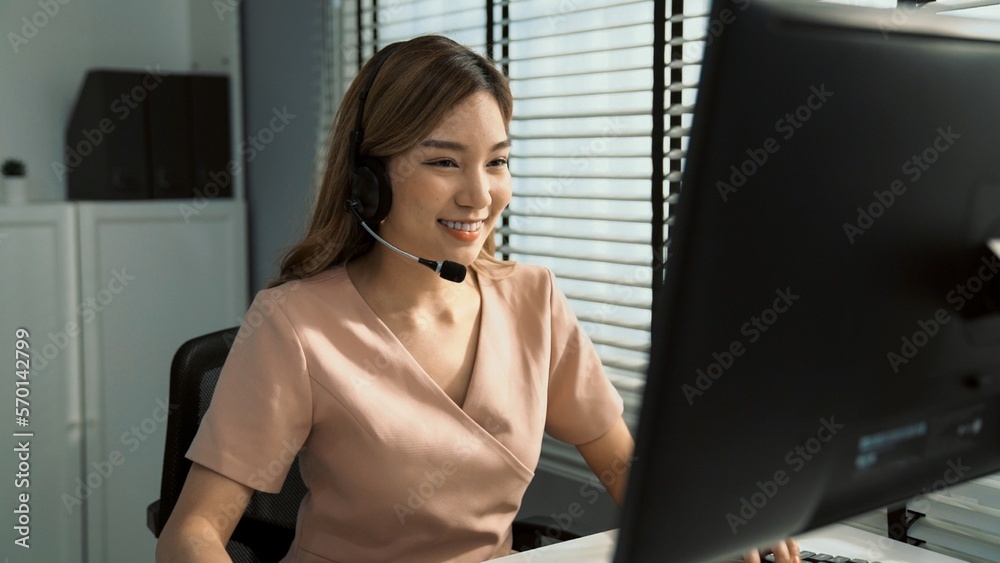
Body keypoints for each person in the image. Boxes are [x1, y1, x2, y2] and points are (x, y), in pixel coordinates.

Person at [156, 35, 798, 563]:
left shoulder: (533, 300)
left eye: (496, 162)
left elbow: (621, 461)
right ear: (367, 180)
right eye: (443, 162)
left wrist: (722, 525)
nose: (479, 195)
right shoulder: (296, 326)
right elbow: (191, 535)